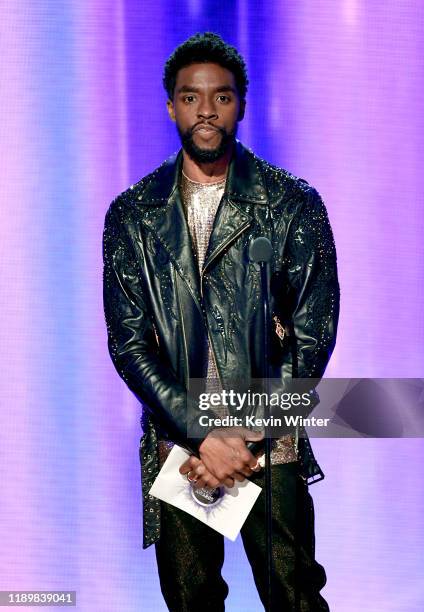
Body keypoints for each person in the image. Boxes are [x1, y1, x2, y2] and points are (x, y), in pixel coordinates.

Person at [103, 32, 340, 612]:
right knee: (190, 598)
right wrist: (204, 434)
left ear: (241, 103)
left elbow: (314, 332)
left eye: (221, 97)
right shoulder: (133, 214)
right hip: (183, 440)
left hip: (268, 439)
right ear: (170, 105)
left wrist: (245, 432)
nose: (205, 110)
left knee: (294, 595)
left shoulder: (291, 204)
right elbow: (128, 342)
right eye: (190, 97)